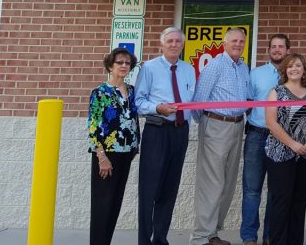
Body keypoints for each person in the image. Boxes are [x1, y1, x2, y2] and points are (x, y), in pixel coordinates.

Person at [191, 28, 252, 245]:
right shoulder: (214, 66)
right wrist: (209, 125)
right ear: (224, 43)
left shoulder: (244, 68)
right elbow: (198, 102)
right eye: (234, 40)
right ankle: (200, 238)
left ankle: (213, 233)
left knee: (227, 183)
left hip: (237, 127)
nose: (238, 44)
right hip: (216, 125)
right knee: (211, 183)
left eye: (241, 41)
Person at [135, 27, 195, 245]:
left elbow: (193, 101)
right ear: (162, 44)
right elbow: (138, 102)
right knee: (150, 188)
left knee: (170, 189)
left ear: (182, 44)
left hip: (180, 133)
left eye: (178, 41)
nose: (173, 44)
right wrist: (157, 108)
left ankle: (160, 238)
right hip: (157, 131)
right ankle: (145, 240)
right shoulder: (149, 68)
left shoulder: (189, 69)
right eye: (169, 41)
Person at [265, 53, 306, 245]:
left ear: (304, 69)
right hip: (281, 155)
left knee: (300, 202)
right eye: (290, 66)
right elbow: (272, 123)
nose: (294, 69)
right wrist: (293, 144)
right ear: (285, 70)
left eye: (298, 65)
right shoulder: (277, 92)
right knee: (281, 202)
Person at [88, 47, 140, 245]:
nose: (124, 66)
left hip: (126, 153)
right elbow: (93, 127)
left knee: (115, 202)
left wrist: (135, 146)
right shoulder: (100, 93)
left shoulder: (132, 91)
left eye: (127, 63)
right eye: (120, 62)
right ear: (111, 65)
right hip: (106, 156)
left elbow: (132, 120)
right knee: (103, 204)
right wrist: (101, 157)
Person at [241, 34, 290, 245]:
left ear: (288, 50)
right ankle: (249, 237)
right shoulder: (256, 74)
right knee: (252, 190)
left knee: (276, 191)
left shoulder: (294, 74)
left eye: (281, 47)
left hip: (281, 139)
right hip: (257, 135)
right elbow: (247, 102)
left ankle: (271, 236)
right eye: (273, 47)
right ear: (268, 50)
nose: (277, 50)